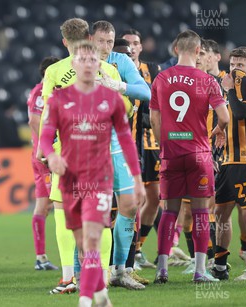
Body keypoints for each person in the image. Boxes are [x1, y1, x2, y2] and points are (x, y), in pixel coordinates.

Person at [40, 40, 144, 307]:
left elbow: (126, 140)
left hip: (100, 179)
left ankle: (85, 300)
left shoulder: (112, 101)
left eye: (92, 60)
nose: (87, 64)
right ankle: (100, 295)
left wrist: (136, 178)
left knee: (93, 237)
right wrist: (51, 155)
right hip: (70, 180)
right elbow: (45, 138)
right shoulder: (59, 100)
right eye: (82, 60)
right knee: (83, 243)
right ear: (73, 64)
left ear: (100, 66)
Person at [150, 30, 229, 284]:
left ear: (175, 49)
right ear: (198, 51)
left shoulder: (161, 78)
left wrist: (165, 144)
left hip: (170, 153)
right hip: (198, 153)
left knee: (169, 211)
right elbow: (225, 117)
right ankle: (199, 270)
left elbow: (154, 118)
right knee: (200, 213)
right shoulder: (207, 79)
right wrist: (218, 130)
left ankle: (161, 269)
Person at [90, 20, 151, 289]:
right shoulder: (77, 63)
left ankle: (119, 270)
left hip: (116, 143)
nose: (105, 47)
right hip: (87, 146)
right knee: (92, 211)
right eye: (101, 41)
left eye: (110, 41)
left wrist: (119, 87)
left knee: (129, 205)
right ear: (90, 39)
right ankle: (86, 273)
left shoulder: (120, 62)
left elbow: (145, 91)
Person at [211, 47, 246, 281]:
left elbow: (241, 112)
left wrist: (230, 89)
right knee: (220, 212)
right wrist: (220, 129)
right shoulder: (227, 88)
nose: (236, 69)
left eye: (241, 65)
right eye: (233, 64)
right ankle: (220, 266)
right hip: (227, 161)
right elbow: (224, 116)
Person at [121, 29, 162, 271]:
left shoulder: (153, 70)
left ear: (141, 47)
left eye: (136, 43)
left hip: (152, 142)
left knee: (154, 198)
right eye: (128, 44)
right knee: (134, 199)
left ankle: (138, 249)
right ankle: (128, 252)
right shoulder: (117, 70)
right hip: (129, 143)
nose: (133, 47)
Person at [27, 56, 59, 271]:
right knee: (50, 204)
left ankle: (41, 258)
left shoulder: (54, 91)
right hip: (46, 157)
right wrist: (48, 145)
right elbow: (34, 120)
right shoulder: (41, 91)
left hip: (48, 155)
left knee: (45, 206)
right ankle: (42, 258)